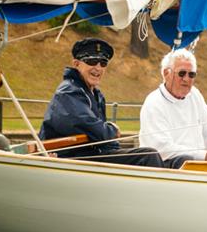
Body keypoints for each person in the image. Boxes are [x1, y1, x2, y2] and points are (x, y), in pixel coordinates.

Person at [39, 37, 164, 168]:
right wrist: (113, 129)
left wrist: (114, 142)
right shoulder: (68, 92)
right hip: (71, 159)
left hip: (92, 156)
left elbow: (105, 139)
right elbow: (95, 130)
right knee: (148, 156)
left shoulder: (96, 94)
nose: (98, 67)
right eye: (92, 61)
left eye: (103, 63)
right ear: (76, 64)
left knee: (151, 155)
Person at [139, 49, 207, 168]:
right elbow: (163, 149)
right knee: (184, 160)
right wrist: (205, 156)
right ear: (166, 73)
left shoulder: (195, 95)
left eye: (191, 74)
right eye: (181, 73)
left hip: (197, 164)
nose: (186, 79)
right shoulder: (154, 102)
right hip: (167, 167)